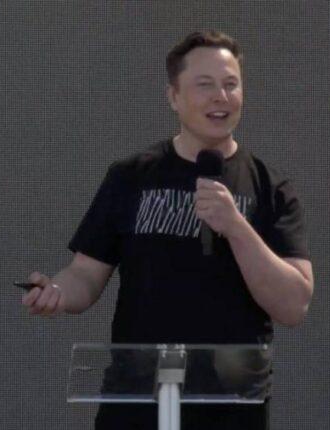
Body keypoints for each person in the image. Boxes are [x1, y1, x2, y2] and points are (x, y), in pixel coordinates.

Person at [22, 30, 314, 430]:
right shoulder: (131, 176)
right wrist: (57, 292)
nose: (221, 97)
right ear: (174, 96)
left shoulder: (270, 187)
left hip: (231, 406)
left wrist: (236, 227)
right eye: (205, 85)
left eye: (231, 85)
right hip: (138, 399)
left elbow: (294, 304)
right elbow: (85, 274)